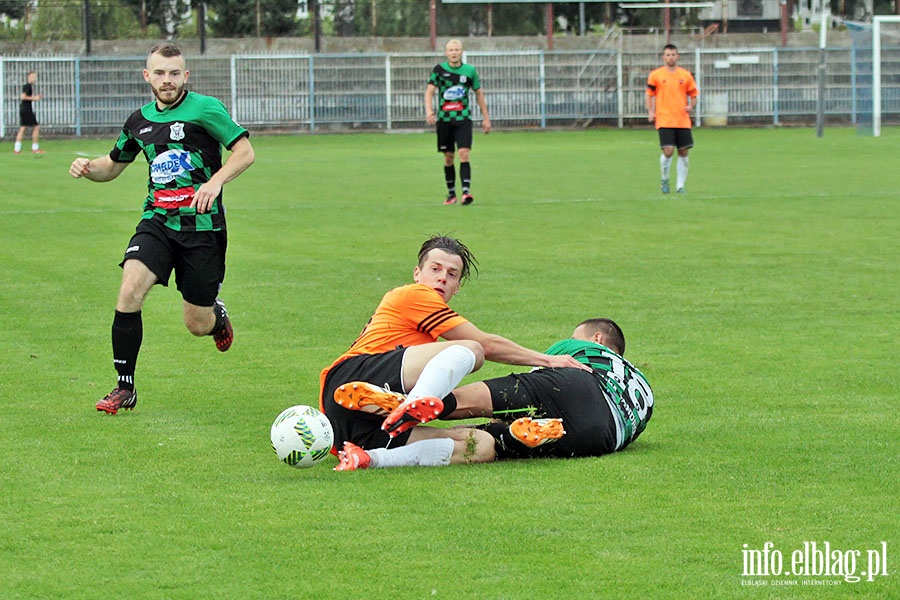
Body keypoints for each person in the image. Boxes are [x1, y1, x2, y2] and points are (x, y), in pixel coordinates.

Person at [68, 43, 255, 415]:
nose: (166, 80)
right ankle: (125, 387)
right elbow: (113, 165)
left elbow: (244, 151)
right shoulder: (139, 121)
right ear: (147, 76)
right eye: (159, 73)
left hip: (202, 228)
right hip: (157, 222)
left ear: (185, 76)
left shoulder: (205, 109)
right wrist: (89, 168)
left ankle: (216, 315)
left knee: (196, 323)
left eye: (173, 73)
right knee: (129, 289)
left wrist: (215, 182)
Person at [320, 234, 589, 470]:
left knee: (480, 446)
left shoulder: (427, 319)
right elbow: (486, 344)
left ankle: (368, 459)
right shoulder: (413, 295)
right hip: (352, 379)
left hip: (354, 430)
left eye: (451, 274)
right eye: (435, 269)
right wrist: (549, 360)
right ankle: (410, 404)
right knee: (471, 349)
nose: (442, 278)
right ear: (417, 273)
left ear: (457, 286)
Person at [334, 318, 654, 470]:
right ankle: (374, 458)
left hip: (581, 387)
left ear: (597, 338)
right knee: (485, 444)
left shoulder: (587, 350)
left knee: (482, 401)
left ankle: (415, 401)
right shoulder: (645, 391)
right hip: (601, 437)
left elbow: (542, 375)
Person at [425, 39, 491, 206]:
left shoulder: (469, 71)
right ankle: (451, 194)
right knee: (448, 157)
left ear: (462, 52)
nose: (454, 52)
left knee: (464, 153)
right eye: (451, 50)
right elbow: (429, 92)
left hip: (463, 119)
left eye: (457, 49)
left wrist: (486, 118)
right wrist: (429, 111)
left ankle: (466, 192)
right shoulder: (439, 70)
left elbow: (479, 93)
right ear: (446, 53)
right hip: (445, 121)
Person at [646, 44, 699, 195]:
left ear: (678, 56)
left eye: (673, 54)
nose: (670, 57)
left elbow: (694, 95)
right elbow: (649, 94)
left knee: (683, 151)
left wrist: (691, 106)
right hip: (664, 119)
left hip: (682, 119)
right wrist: (651, 111)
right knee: (668, 151)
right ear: (663, 57)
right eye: (668, 55)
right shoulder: (656, 75)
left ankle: (680, 186)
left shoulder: (685, 75)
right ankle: (664, 179)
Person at [15, 71, 44, 155]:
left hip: (23, 109)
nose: (34, 79)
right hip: (27, 110)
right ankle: (35, 148)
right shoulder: (27, 86)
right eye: (32, 77)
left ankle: (17, 149)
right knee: (36, 127)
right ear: (28, 77)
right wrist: (35, 98)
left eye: (35, 77)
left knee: (23, 128)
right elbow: (23, 97)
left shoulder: (28, 86)